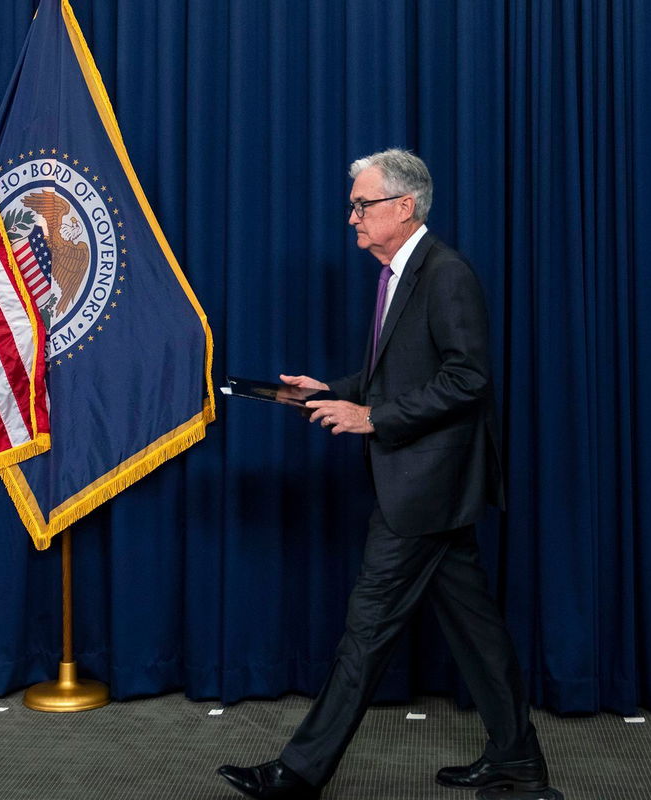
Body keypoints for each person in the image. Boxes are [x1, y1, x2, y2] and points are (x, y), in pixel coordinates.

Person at [218, 149, 548, 799]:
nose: (352, 218)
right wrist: (327, 390)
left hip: (425, 487)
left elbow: (468, 379)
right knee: (478, 635)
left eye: (362, 205)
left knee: (366, 631)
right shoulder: (399, 273)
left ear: (405, 206)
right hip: (430, 490)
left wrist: (374, 416)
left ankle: (300, 773)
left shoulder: (445, 274)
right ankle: (517, 759)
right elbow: (398, 375)